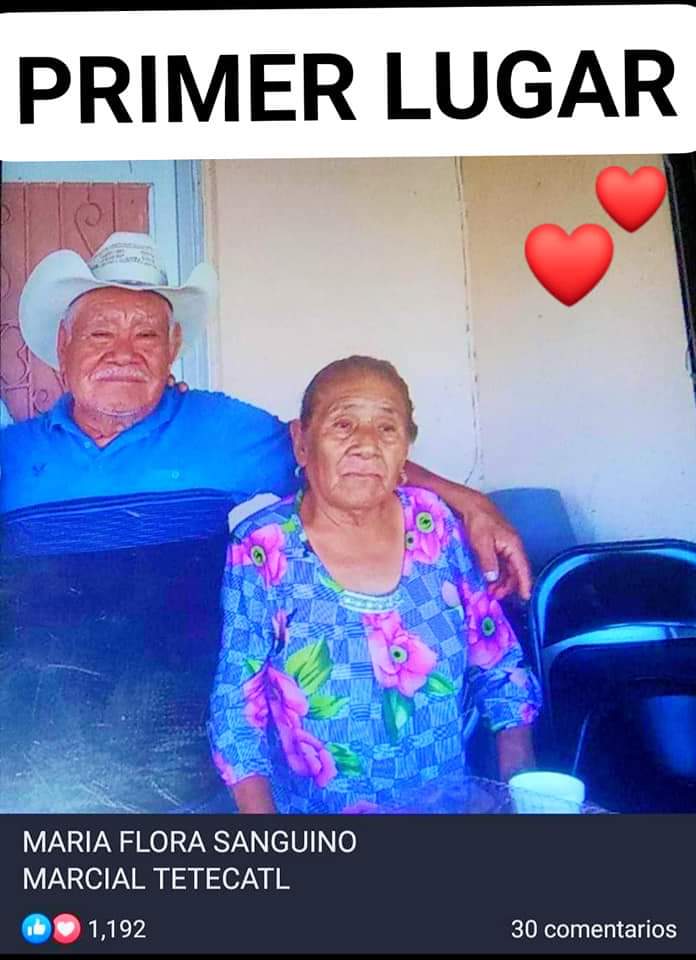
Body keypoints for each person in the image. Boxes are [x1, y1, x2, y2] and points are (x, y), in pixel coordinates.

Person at [0, 233, 531, 814]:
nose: (124, 353)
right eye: (101, 333)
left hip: (191, 782)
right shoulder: (12, 456)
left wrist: (468, 503)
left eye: (146, 334)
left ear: (173, 347)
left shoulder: (225, 430)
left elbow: (345, 454)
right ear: (64, 344)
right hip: (44, 777)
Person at [210, 356, 542, 814]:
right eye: (343, 424)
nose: (366, 445)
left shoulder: (435, 525)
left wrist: (522, 795)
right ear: (302, 443)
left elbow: (501, 668)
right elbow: (237, 708)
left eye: (387, 428)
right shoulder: (262, 547)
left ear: (405, 449)